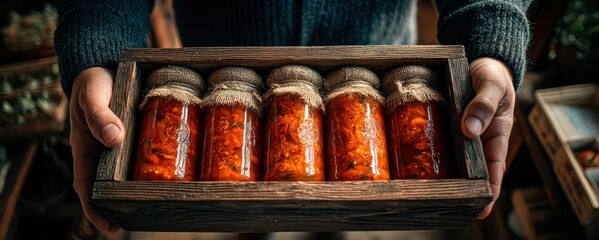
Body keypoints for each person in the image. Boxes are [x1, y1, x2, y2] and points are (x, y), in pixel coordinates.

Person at [54, 0, 531, 233]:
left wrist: (490, 28)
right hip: (223, 58)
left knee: (357, 215)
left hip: (376, 57)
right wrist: (98, 43)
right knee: (239, 217)